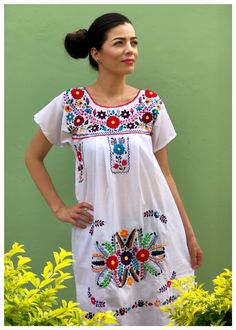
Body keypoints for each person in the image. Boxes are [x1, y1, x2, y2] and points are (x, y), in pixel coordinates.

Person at [25, 12, 203, 326]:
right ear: (96, 53)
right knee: (105, 317)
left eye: (134, 42)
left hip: (156, 236)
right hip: (102, 240)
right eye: (119, 43)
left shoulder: (150, 105)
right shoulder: (72, 105)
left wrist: (189, 235)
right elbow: (32, 157)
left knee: (164, 315)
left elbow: (165, 175)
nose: (130, 50)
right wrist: (59, 208)